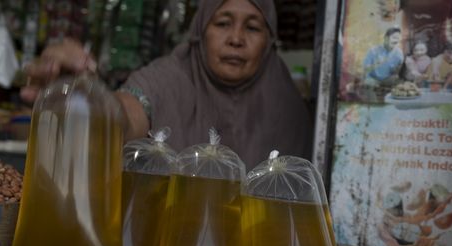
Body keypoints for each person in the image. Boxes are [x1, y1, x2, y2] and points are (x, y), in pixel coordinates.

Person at [20, 0, 312, 170]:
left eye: (252, 27)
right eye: (223, 23)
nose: (236, 38)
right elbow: (129, 110)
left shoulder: (286, 103)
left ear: (269, 40)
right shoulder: (169, 77)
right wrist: (88, 100)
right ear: (200, 32)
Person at [361, 27, 404, 101]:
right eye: (394, 37)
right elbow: (365, 70)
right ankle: (374, 108)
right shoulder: (373, 51)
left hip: (387, 79)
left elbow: (397, 72)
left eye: (398, 39)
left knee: (401, 82)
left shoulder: (399, 53)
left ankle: (394, 108)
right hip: (373, 79)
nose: (396, 41)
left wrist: (397, 70)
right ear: (386, 38)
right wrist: (376, 64)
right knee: (367, 83)